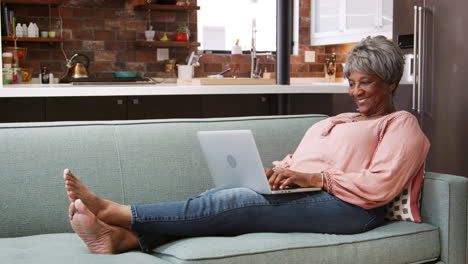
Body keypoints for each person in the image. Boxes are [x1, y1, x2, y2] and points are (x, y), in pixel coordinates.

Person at [63, 36, 430, 254]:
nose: (356, 92)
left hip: (351, 209)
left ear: (391, 82)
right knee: (224, 197)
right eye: (351, 83)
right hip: (315, 194)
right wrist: (283, 173)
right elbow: (304, 160)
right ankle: (122, 240)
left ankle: (119, 213)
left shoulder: (400, 124)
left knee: (234, 202)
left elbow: (379, 187)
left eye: (365, 83)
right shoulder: (340, 120)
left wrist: (315, 179)